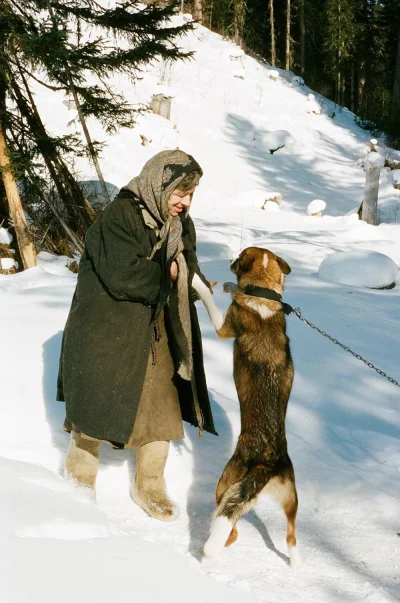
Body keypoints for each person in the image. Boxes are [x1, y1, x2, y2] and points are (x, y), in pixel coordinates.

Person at [57, 150, 217, 521]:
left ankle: (150, 484)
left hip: (155, 327)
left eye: (190, 194)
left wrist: (192, 282)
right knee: (94, 408)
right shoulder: (121, 215)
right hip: (106, 328)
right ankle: (79, 484)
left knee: (162, 406)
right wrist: (171, 278)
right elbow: (124, 275)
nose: (185, 202)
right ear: (159, 184)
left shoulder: (179, 222)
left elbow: (184, 264)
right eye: (180, 192)